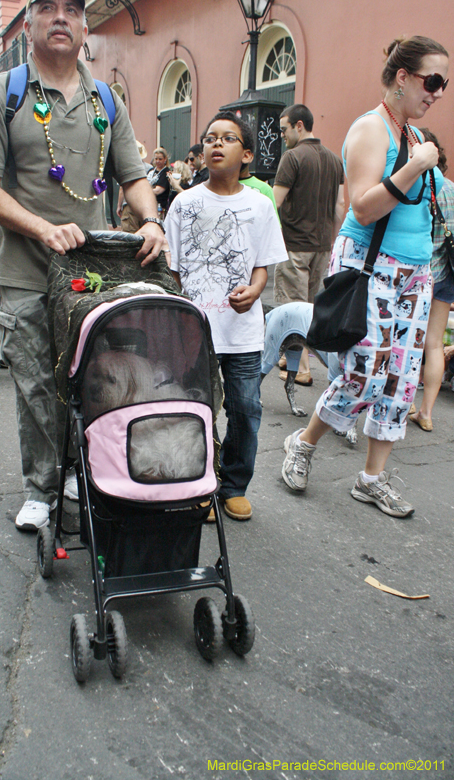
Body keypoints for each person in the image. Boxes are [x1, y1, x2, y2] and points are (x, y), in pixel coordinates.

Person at [0, 0, 167, 531]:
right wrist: (43, 229)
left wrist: (151, 219)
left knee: (89, 378)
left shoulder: (106, 100)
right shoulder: (0, 93)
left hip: (89, 273)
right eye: (48, 8)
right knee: (36, 382)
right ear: (29, 23)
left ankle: (80, 470)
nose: (61, 17)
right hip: (24, 271)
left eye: (72, 10)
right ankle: (42, 486)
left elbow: (133, 176)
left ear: (84, 26)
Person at [281, 36, 448, 518]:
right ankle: (303, 443)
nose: (438, 93)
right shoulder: (372, 129)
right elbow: (363, 207)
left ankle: (371, 478)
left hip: (415, 272)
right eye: (432, 81)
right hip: (371, 266)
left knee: (401, 378)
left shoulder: (413, 135)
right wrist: (417, 165)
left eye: (444, 84)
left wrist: (424, 164)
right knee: (364, 371)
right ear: (403, 77)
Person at [166, 111, 287, 520]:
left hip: (243, 332)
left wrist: (255, 290)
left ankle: (234, 485)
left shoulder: (260, 205)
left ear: (247, 154)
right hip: (193, 331)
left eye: (228, 138)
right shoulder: (184, 203)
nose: (216, 143)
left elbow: (263, 264)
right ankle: (200, 484)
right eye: (210, 137)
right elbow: (172, 268)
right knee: (195, 410)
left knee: (246, 411)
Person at [273, 103, 345, 385]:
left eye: (284, 129)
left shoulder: (292, 157)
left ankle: (301, 369)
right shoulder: (335, 160)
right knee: (310, 307)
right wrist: (333, 239)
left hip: (294, 244)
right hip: (322, 245)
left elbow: (274, 203)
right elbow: (339, 206)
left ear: (299, 126)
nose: (282, 135)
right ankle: (291, 357)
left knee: (293, 308)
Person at [409, 129, 454, 431]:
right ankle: (425, 413)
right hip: (447, 273)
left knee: (410, 340)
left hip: (421, 273)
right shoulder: (451, 188)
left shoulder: (417, 184)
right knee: (434, 344)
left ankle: (407, 403)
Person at [117, 141, 153, 233]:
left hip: (130, 205)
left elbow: (122, 189)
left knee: (129, 234)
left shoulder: (127, 168)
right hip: (145, 206)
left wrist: (119, 206)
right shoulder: (149, 168)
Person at [147, 147, 170, 216]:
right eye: (156, 159)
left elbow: (158, 190)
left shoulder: (166, 172)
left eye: (160, 159)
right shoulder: (151, 171)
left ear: (165, 159)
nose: (157, 161)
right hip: (150, 204)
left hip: (160, 207)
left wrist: (145, 191)